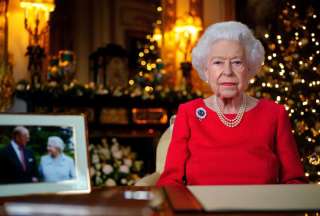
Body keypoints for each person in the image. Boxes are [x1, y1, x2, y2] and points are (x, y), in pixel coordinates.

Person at [157, 21, 307, 186]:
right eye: (218, 62)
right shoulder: (189, 113)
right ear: (206, 70)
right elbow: (170, 182)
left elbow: (295, 181)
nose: (227, 72)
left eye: (237, 62)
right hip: (202, 210)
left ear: (249, 69)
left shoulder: (274, 114)